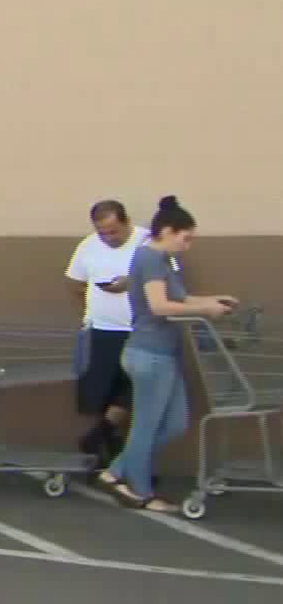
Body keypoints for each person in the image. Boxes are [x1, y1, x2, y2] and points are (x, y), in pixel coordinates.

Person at [102, 196, 236, 512]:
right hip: (149, 354)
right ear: (168, 231)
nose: (187, 246)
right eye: (185, 238)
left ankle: (116, 472)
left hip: (164, 355)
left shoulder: (162, 262)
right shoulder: (149, 258)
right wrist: (206, 309)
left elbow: (181, 298)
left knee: (175, 423)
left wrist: (214, 300)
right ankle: (141, 493)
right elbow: (159, 306)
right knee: (146, 426)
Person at [65, 199, 149, 467]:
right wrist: (89, 309)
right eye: (102, 233)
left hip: (139, 331)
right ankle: (110, 461)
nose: (108, 238)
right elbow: (75, 283)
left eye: (113, 231)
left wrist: (131, 283)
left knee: (135, 388)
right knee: (104, 394)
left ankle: (98, 437)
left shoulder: (146, 242)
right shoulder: (88, 246)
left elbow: (165, 278)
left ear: (126, 222)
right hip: (102, 330)